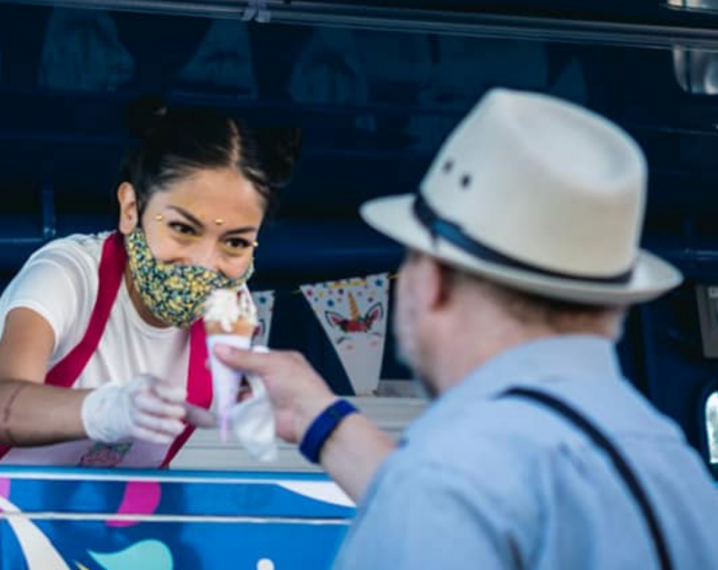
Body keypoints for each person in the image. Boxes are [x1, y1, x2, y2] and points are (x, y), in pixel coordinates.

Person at [215, 88, 718, 568]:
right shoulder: (676, 468)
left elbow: (455, 496)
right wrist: (320, 420)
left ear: (430, 282)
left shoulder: (453, 470)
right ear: (611, 305)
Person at [0, 97, 300, 467]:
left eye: (235, 242)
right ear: (131, 210)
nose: (205, 265)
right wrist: (108, 409)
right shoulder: (66, 275)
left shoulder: (232, 309)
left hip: (112, 515)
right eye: (183, 229)